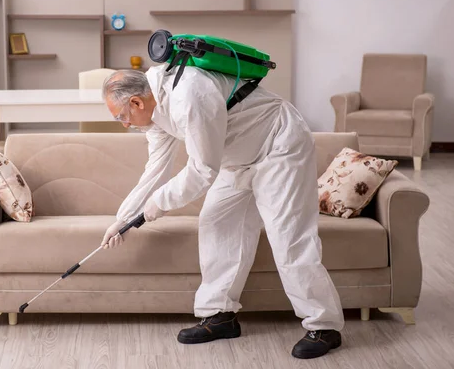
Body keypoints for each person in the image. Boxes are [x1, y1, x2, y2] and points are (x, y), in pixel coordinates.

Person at [99, 65, 345, 359]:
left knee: (288, 237)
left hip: (279, 146)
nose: (124, 124)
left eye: (121, 117)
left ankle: (324, 326)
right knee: (216, 223)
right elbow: (155, 171)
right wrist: (123, 220)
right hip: (237, 159)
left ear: (136, 102)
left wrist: (155, 208)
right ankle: (220, 315)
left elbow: (202, 171)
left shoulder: (189, 93)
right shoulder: (155, 114)